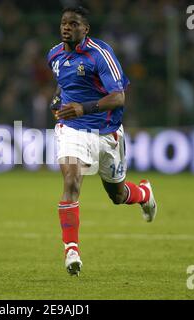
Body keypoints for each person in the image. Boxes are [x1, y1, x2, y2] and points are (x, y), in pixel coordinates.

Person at [47, 6, 157, 276]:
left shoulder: (100, 54)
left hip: (107, 133)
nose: (66, 28)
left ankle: (144, 194)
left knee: (118, 196)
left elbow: (118, 97)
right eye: (64, 23)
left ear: (85, 29)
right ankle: (71, 249)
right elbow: (63, 83)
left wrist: (83, 107)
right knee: (71, 182)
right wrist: (57, 100)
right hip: (71, 129)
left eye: (73, 24)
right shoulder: (54, 55)